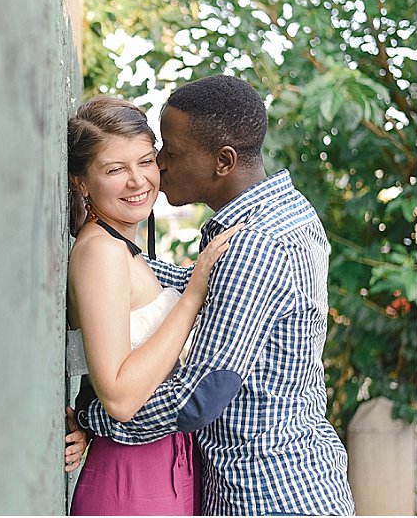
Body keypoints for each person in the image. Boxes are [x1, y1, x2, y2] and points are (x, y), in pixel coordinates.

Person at [69, 75, 356, 515]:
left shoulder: (255, 243)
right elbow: (179, 285)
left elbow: (197, 397)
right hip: (281, 478)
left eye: (169, 151)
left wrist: (90, 416)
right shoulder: (282, 213)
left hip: (267, 494)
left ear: (223, 161)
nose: (158, 165)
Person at [62, 96, 242, 515]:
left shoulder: (123, 246)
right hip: (133, 480)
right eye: (115, 170)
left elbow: (115, 350)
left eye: (145, 161)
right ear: (81, 182)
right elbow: (121, 398)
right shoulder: (100, 253)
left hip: (165, 464)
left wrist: (86, 422)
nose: (138, 181)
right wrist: (195, 293)